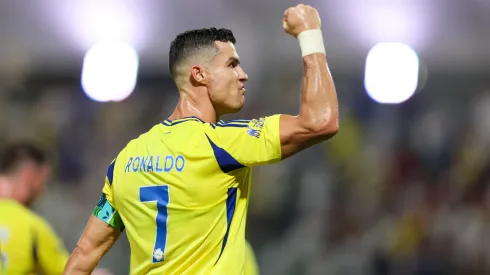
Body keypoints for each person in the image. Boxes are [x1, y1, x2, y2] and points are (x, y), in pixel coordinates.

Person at [64, 4, 338, 275]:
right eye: (232, 64)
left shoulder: (124, 161)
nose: (243, 75)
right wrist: (309, 32)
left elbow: (84, 254)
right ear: (199, 74)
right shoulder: (222, 144)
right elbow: (321, 121)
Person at [0, 142, 111, 275]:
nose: (43, 191)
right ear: (29, 176)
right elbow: (73, 272)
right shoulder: (33, 228)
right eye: (42, 182)